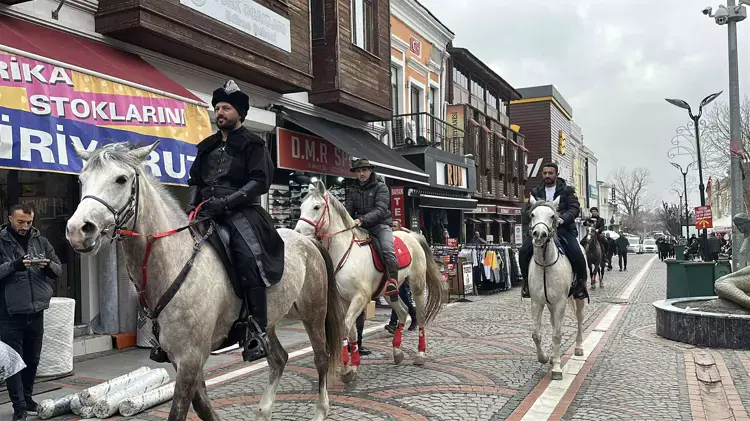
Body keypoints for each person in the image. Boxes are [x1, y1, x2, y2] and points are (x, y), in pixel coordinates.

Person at [149, 80, 285, 364]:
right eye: (218, 108)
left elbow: (259, 181)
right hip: (205, 211)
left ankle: (257, 329)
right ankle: (166, 332)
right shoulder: (207, 146)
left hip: (242, 212)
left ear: (239, 113)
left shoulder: (254, 144)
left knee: (247, 257)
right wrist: (190, 209)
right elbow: (195, 181)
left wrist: (228, 202)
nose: (220, 112)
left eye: (226, 108)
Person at [0, 204, 62, 421]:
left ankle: (27, 399)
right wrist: (14, 266)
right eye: (20, 222)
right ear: (9, 218)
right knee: (13, 363)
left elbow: (58, 268)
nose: (25, 226)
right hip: (9, 313)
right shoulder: (1, 242)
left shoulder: (41, 241)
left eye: (29, 222)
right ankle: (19, 408)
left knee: (32, 360)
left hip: (36, 312)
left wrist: (47, 265)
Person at [519, 162, 588, 300]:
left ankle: (580, 284)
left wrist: (563, 218)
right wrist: (532, 216)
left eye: (550, 173)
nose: (547, 176)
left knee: (577, 252)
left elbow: (574, 208)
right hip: (540, 230)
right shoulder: (536, 192)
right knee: (523, 252)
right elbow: (527, 210)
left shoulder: (567, 191)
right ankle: (526, 282)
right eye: (545, 173)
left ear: (556, 174)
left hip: (562, 229)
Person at [345, 158, 399, 297]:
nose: (361, 173)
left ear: (370, 170)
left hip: (380, 225)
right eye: (358, 171)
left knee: (387, 250)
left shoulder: (381, 187)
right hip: (360, 226)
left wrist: (361, 220)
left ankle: (393, 281)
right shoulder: (352, 190)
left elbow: (381, 209)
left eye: (364, 170)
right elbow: (348, 211)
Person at [384, 220, 417, 334]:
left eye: (394, 226)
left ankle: (395, 323)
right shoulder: (387, 239)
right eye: (391, 226)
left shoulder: (403, 240)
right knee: (398, 297)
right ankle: (397, 322)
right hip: (392, 274)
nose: (392, 228)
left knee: (401, 297)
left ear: (399, 228)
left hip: (402, 272)